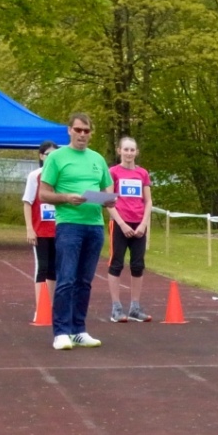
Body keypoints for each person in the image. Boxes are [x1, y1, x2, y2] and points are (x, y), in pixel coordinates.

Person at [39, 113, 115, 350]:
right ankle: (61, 332)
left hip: (94, 225)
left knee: (85, 281)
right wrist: (66, 197)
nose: (82, 134)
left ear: (91, 133)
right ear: (69, 130)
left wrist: (107, 199)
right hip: (69, 224)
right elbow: (43, 194)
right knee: (66, 278)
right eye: (78, 130)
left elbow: (109, 191)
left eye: (86, 131)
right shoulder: (57, 157)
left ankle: (79, 329)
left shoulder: (97, 159)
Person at [106, 137, 153, 323]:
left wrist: (143, 224)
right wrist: (121, 224)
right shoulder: (113, 172)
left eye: (132, 150)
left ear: (137, 152)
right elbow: (108, 201)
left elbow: (148, 201)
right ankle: (116, 308)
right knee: (116, 263)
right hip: (120, 223)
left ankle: (135, 307)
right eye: (126, 149)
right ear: (119, 151)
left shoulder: (142, 173)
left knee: (138, 265)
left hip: (138, 224)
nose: (129, 153)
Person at [22, 140, 58, 321]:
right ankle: (40, 308)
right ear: (41, 156)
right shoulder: (34, 176)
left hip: (59, 231)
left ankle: (50, 306)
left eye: (54, 155)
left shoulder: (61, 176)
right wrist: (30, 228)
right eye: (48, 155)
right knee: (42, 267)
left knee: (54, 269)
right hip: (41, 231)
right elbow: (27, 202)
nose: (51, 158)